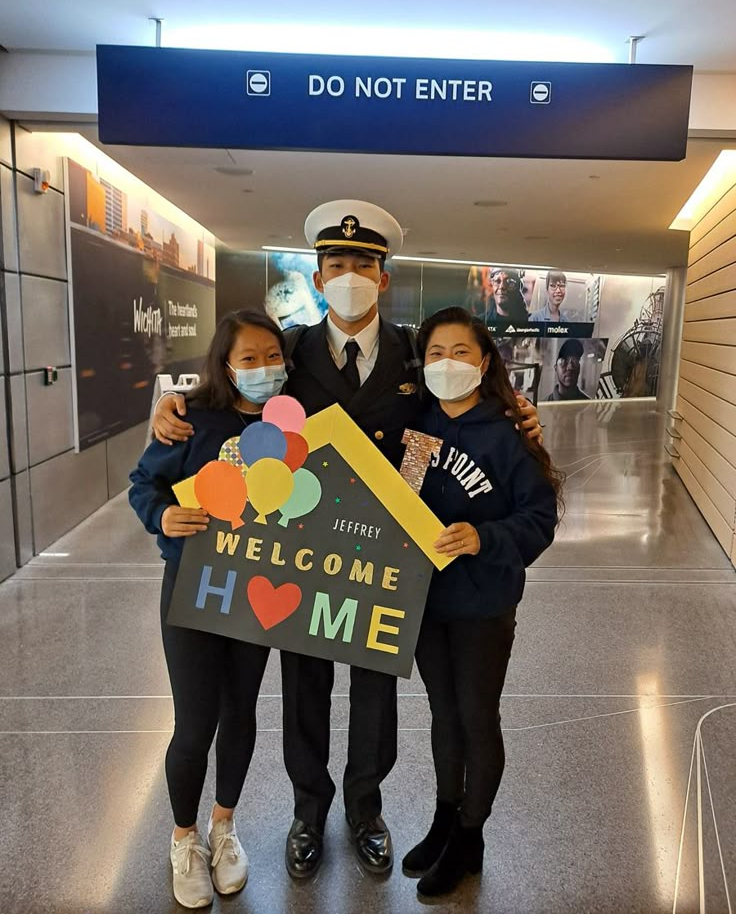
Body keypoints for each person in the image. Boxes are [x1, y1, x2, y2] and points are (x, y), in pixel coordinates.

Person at [151, 200, 544, 880]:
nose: (351, 274)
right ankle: (309, 810)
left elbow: (461, 403)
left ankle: (366, 808)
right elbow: (234, 397)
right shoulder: (289, 352)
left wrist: (519, 414)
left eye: (364, 264)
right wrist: (175, 403)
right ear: (318, 273)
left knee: (375, 690)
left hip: (382, 555)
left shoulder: (414, 353)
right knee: (304, 686)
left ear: (384, 277)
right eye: (338, 263)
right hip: (305, 551)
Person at [401, 306, 563, 897]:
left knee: (476, 715)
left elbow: (540, 518)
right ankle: (446, 818)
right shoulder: (417, 428)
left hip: (484, 604)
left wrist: (483, 536)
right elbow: (401, 497)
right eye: (436, 353)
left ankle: (472, 836)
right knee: (442, 714)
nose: (448, 364)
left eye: (461, 352)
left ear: (486, 360)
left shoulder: (508, 433)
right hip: (426, 601)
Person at [129, 309, 287, 909]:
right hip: (193, 588)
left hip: (260, 595)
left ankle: (224, 827)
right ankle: (184, 838)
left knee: (240, 710)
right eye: (248, 358)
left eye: (273, 356)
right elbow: (144, 484)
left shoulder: (296, 423)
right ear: (224, 364)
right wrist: (162, 516)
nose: (263, 368)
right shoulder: (190, 421)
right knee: (195, 722)